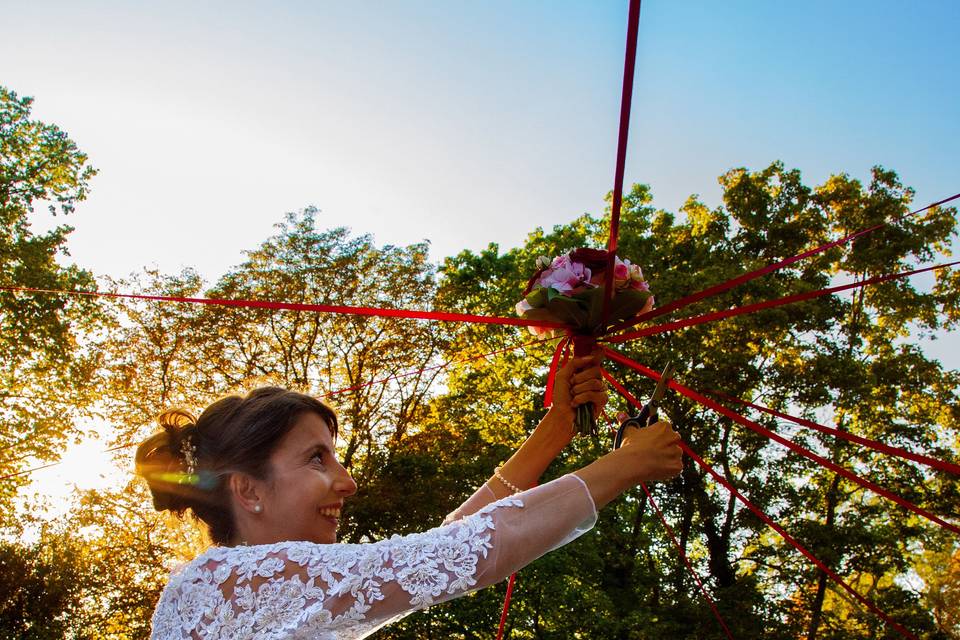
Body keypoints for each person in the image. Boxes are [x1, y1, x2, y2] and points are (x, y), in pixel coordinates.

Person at [136, 353, 683, 639]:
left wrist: (555, 431)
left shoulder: (234, 587)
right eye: (316, 458)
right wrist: (627, 463)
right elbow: (468, 552)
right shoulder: (230, 584)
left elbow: (445, 547)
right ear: (247, 489)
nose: (347, 482)